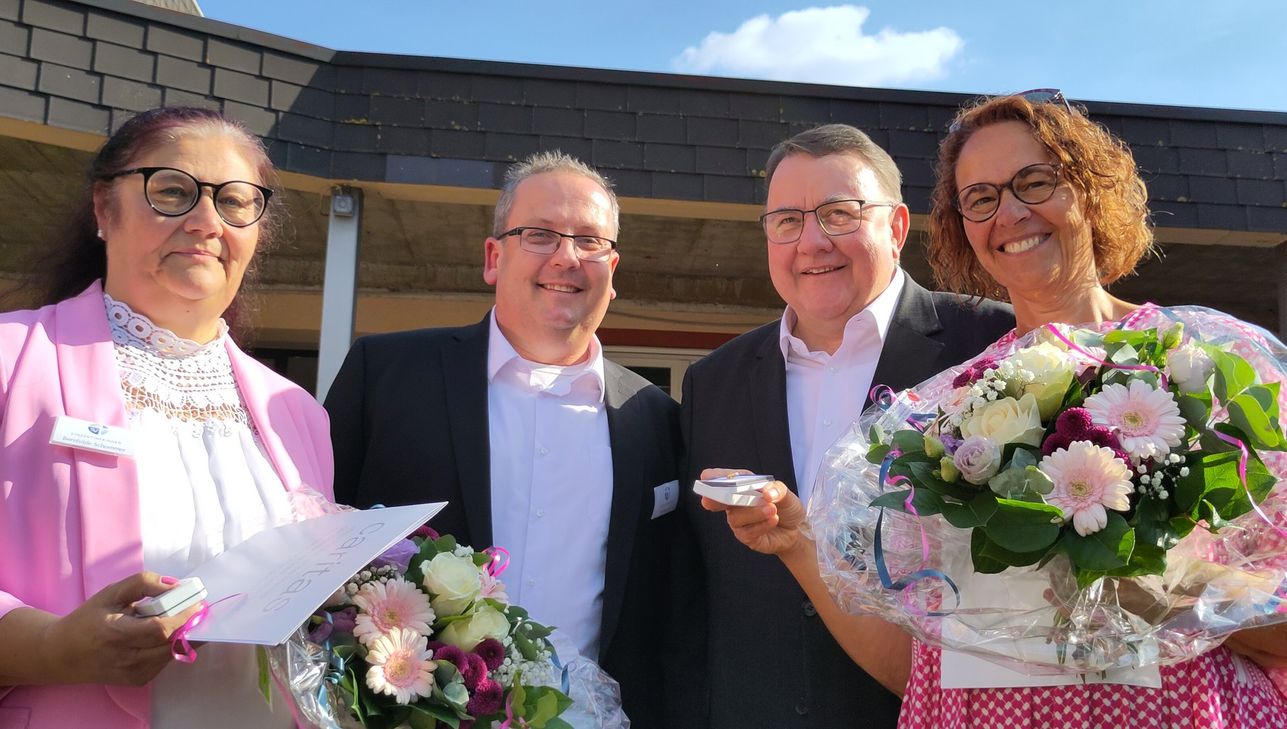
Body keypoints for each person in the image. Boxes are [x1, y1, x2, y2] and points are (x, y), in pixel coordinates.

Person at [716, 93, 1287, 728]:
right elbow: (920, 665)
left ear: (1093, 190)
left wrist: (1172, 586)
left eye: (1035, 181)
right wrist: (798, 540)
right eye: (981, 199)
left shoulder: (1211, 368)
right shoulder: (951, 413)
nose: (1010, 212)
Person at [0, 106, 334, 729]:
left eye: (236, 202)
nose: (207, 221)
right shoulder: (10, 360)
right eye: (174, 191)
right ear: (105, 209)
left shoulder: (301, 416)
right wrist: (51, 648)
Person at [672, 124, 1013, 728]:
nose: (812, 242)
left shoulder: (989, 346)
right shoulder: (711, 383)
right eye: (787, 221)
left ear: (898, 227)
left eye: (839, 213)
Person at [324, 151, 681, 728]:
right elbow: (320, 539)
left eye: (590, 240)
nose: (567, 257)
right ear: (494, 257)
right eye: (540, 235)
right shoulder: (385, 375)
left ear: (612, 269)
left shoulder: (655, 418)